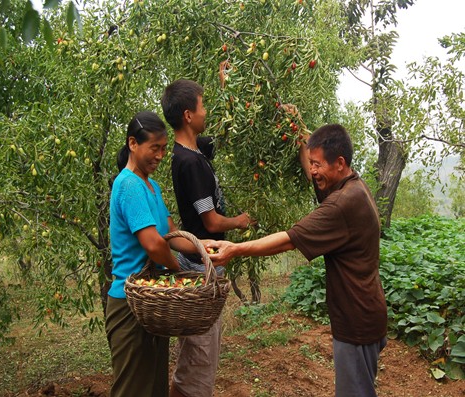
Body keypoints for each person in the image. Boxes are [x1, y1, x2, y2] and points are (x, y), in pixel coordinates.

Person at [207, 124, 388, 397]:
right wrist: (301, 131)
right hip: (366, 313)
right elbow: (314, 172)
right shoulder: (353, 184)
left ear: (339, 163)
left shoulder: (343, 203)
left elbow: (289, 239)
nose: (313, 170)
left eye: (317, 164)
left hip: (357, 322)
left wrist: (234, 248)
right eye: (311, 162)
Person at [161, 79, 256, 397]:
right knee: (200, 354)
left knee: (199, 351)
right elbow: (211, 220)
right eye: (203, 105)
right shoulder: (191, 164)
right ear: (188, 115)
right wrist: (240, 222)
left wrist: (225, 85)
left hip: (199, 262)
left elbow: (225, 132)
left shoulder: (190, 152)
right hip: (202, 266)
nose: (207, 111)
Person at [105, 111, 199, 397]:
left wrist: (207, 247)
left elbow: (171, 236)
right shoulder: (129, 185)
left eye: (163, 148)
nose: (160, 155)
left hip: (151, 301)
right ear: (133, 144)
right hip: (129, 303)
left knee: (154, 385)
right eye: (154, 148)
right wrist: (178, 272)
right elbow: (155, 245)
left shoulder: (151, 186)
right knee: (133, 388)